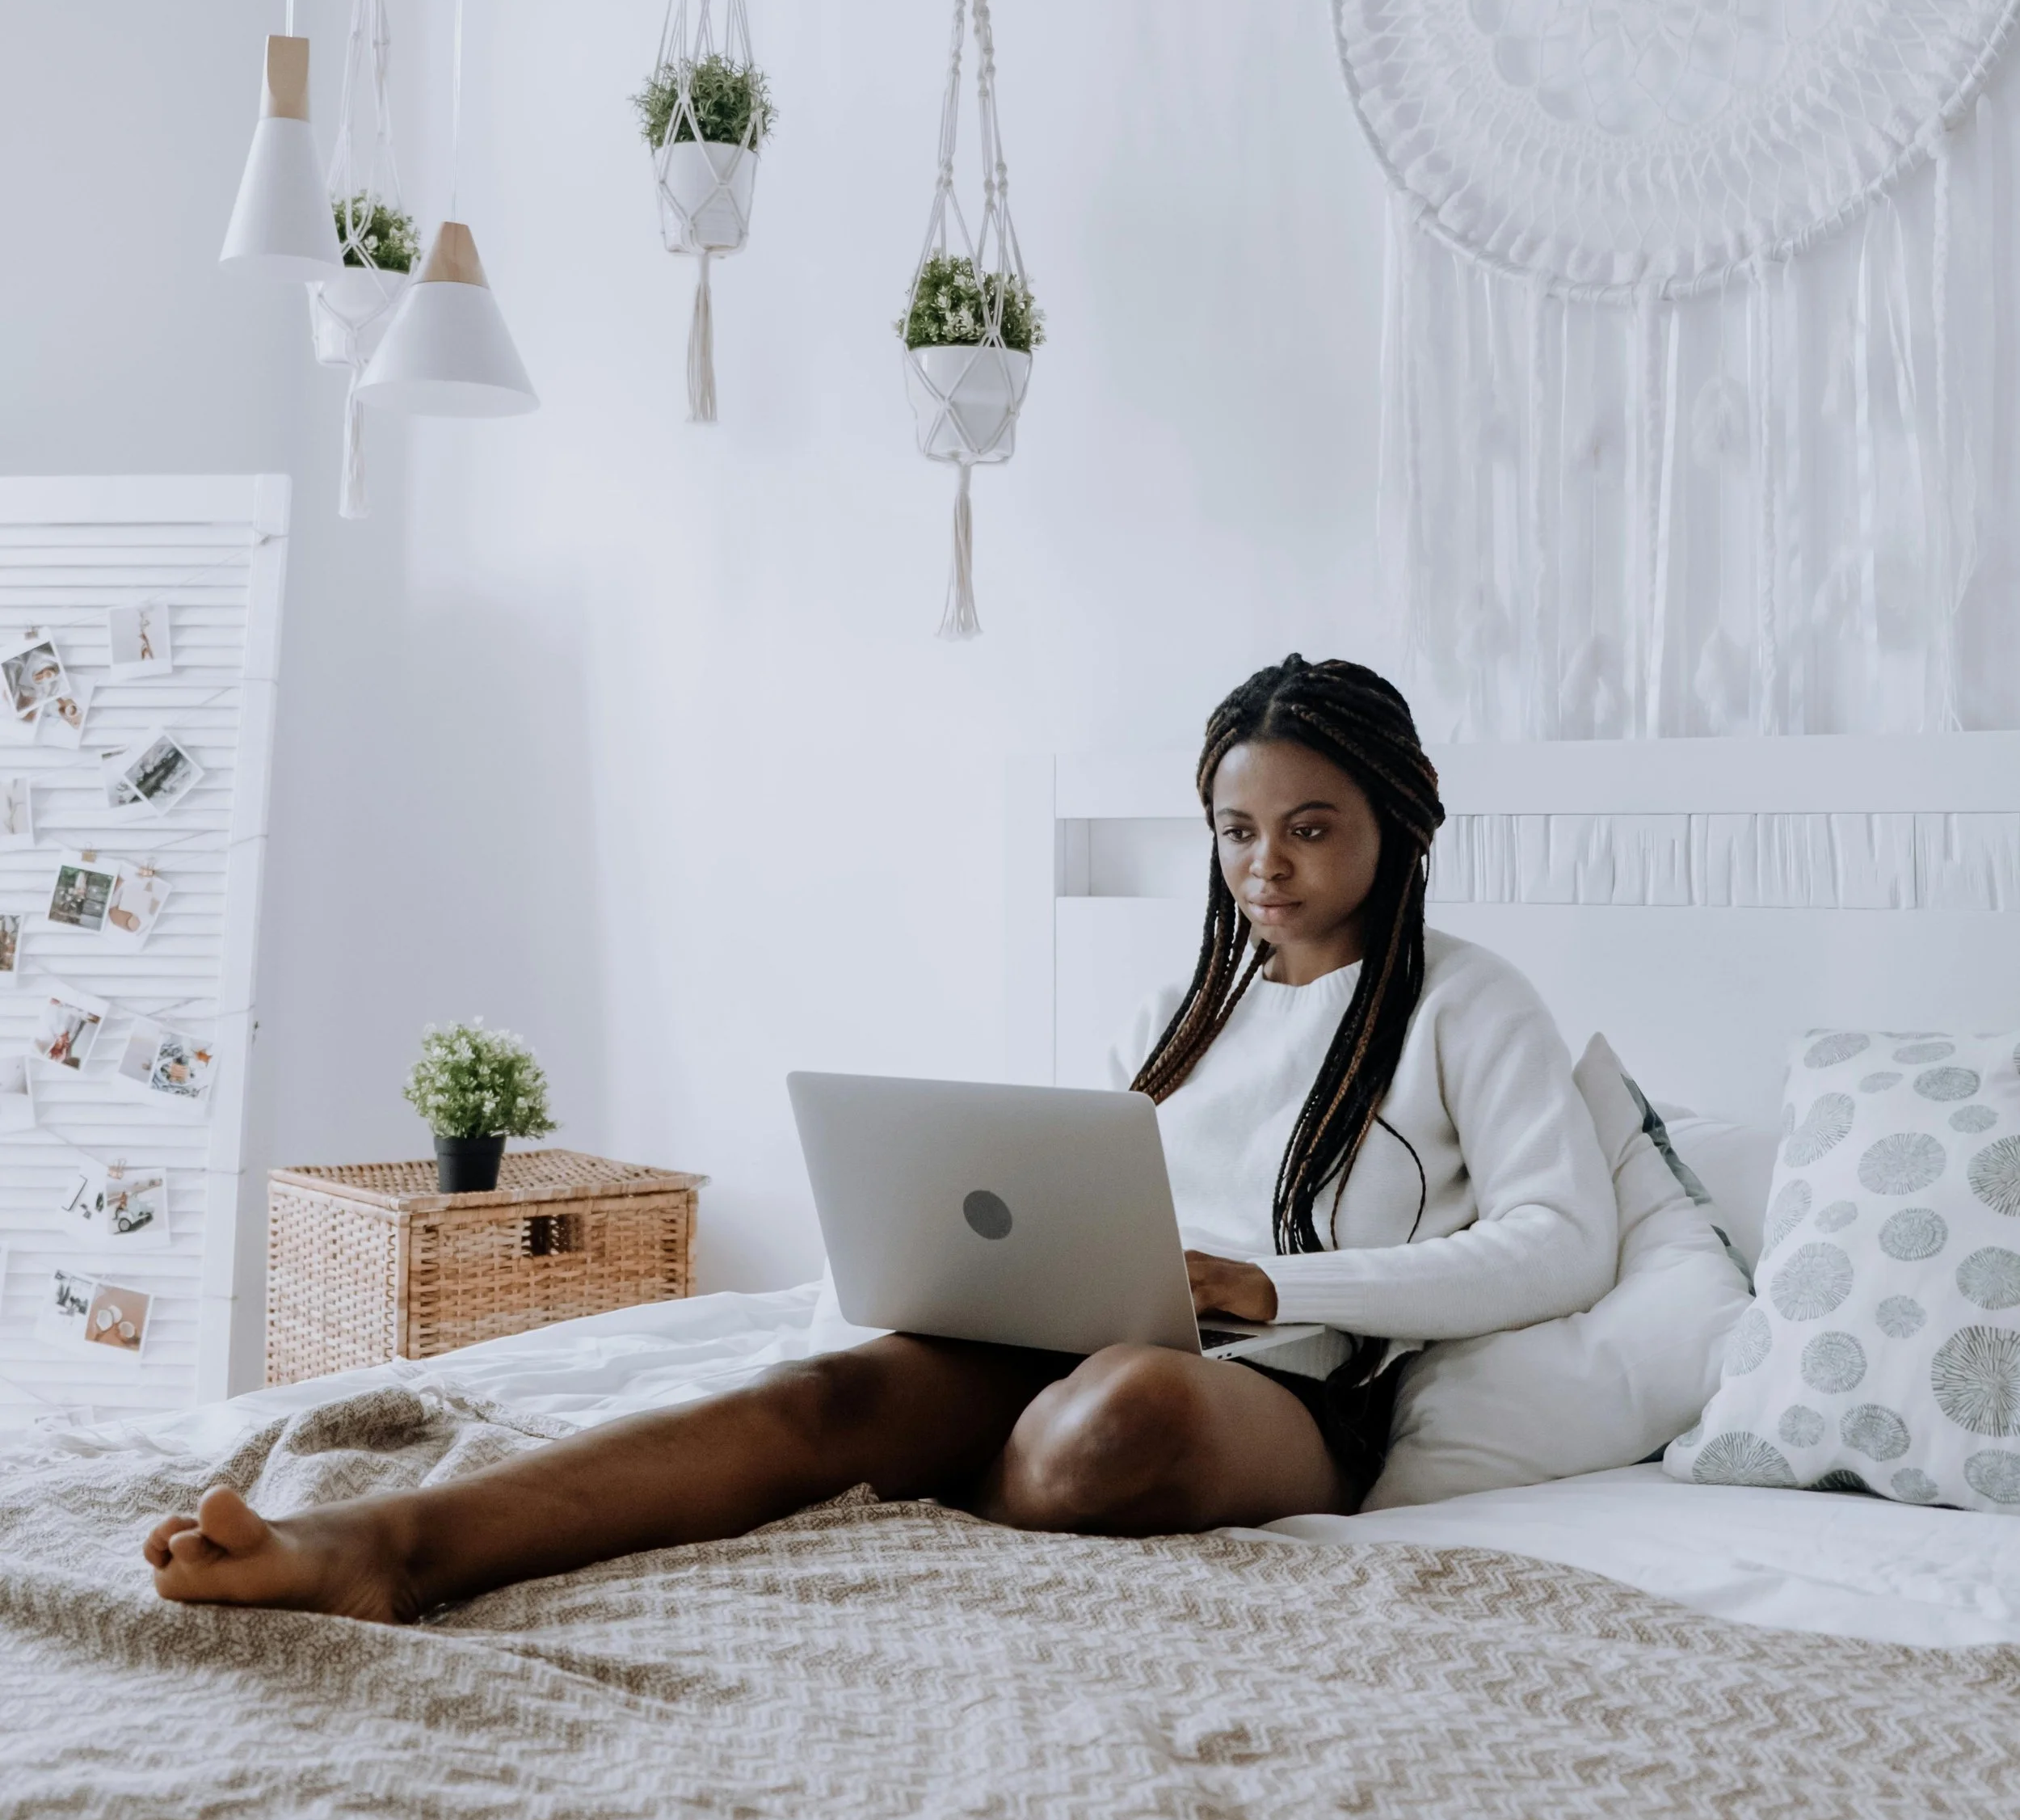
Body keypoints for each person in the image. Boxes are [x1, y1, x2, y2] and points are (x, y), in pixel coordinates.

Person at [143, 655, 1615, 1624]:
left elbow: (1564, 1241)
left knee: (1129, 1421)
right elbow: (1073, 1182)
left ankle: (935, 1478)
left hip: (1286, 1386)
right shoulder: (1182, 1004)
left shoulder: (1467, 1002)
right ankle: (386, 1548)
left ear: (1398, 825)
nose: (1265, 866)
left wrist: (1276, 1290)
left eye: (1310, 827)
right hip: (1076, 1340)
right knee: (811, 1395)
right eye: (1236, 831)